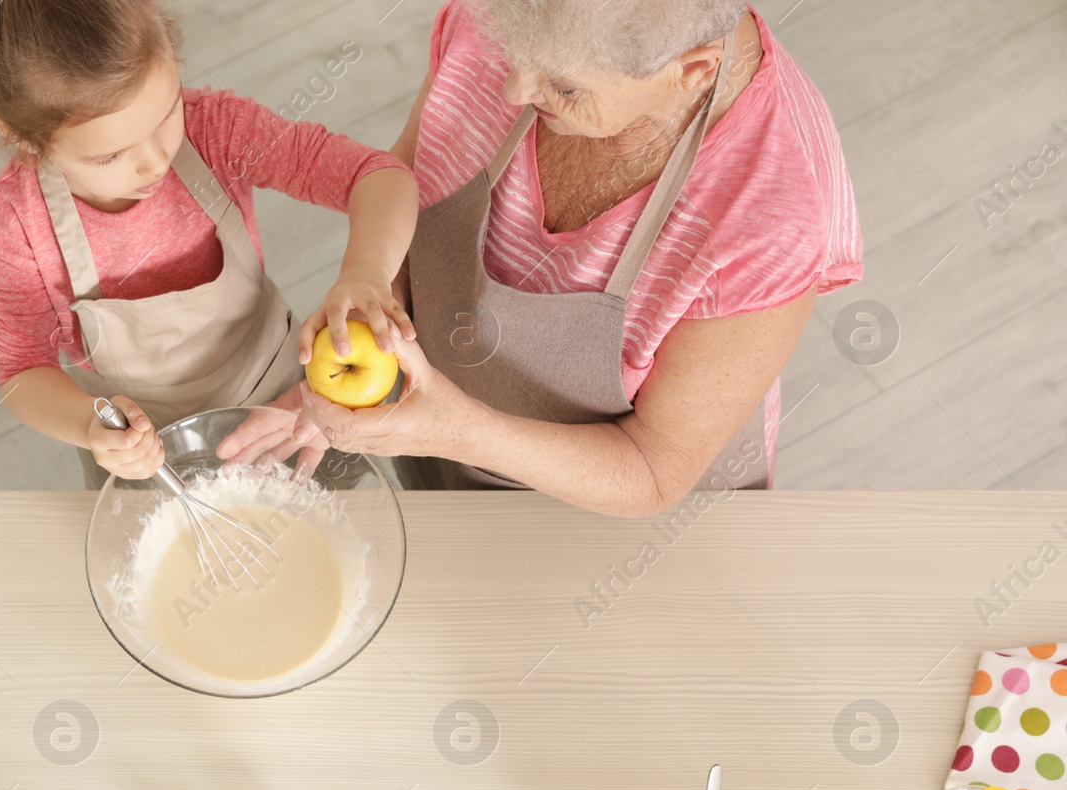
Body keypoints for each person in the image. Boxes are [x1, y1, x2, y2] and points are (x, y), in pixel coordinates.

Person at [231, 0, 862, 515]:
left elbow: (652, 470)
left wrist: (458, 429)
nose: (512, 86)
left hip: (626, 527)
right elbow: (413, 183)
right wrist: (369, 308)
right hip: (440, 435)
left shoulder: (774, 212)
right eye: (512, 52)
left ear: (693, 70)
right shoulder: (517, 18)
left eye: (561, 83)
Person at [0, 0, 417, 487]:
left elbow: (378, 177)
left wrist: (366, 270)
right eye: (111, 155)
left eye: (166, 112)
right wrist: (90, 425)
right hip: (147, 457)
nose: (155, 161)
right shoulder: (18, 224)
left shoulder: (215, 132)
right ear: (24, 138)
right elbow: (21, 372)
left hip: (289, 407)